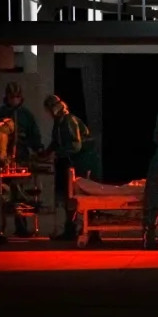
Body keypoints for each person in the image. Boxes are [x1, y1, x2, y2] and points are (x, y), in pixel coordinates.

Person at [0, 82, 44, 237]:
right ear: (7, 97)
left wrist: (39, 149)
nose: (15, 99)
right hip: (2, 159)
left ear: (21, 97)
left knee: (19, 193)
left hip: (21, 159)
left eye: (17, 97)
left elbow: (34, 135)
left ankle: (21, 227)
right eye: (12, 97)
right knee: (0, 193)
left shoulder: (26, 115)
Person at [45, 95, 102, 241]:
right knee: (70, 196)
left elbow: (76, 146)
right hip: (75, 163)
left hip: (86, 162)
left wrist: (57, 153)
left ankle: (93, 232)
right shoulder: (59, 123)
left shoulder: (69, 121)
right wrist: (45, 153)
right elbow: (56, 141)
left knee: (87, 196)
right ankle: (71, 229)